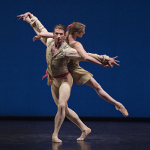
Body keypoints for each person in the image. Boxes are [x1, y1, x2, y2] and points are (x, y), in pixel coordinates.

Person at [17, 12, 128, 142]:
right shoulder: (51, 41)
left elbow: (86, 56)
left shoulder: (72, 47)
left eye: (61, 34)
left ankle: (117, 104)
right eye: (56, 34)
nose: (58, 36)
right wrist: (30, 18)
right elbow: (42, 29)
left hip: (70, 71)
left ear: (65, 35)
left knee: (91, 89)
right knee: (63, 108)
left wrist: (105, 59)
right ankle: (84, 128)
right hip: (55, 76)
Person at [33, 22, 128, 118]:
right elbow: (86, 56)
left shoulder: (65, 36)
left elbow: (47, 33)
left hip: (67, 70)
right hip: (67, 70)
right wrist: (103, 63)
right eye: (82, 32)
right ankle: (74, 121)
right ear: (77, 33)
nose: (84, 33)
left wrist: (39, 34)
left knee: (96, 86)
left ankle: (118, 105)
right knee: (96, 88)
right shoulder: (75, 44)